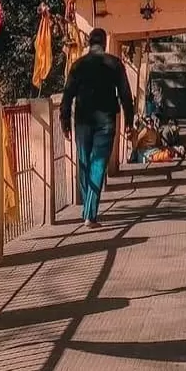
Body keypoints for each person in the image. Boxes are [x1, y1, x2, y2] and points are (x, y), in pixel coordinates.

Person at [60, 28, 135, 228]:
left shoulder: (77, 66)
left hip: (83, 121)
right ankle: (90, 213)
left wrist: (65, 122)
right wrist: (129, 122)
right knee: (98, 165)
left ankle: (88, 210)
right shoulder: (114, 64)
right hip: (106, 122)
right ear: (104, 42)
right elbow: (126, 95)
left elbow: (67, 96)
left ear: (88, 43)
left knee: (84, 163)